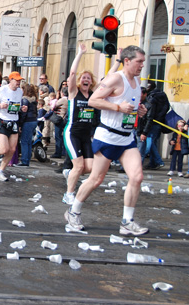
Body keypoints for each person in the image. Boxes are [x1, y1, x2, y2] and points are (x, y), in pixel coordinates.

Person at [64, 45, 149, 236]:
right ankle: (73, 212)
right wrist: (118, 107)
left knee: (137, 177)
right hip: (108, 137)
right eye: (139, 61)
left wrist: (139, 110)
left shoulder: (137, 79)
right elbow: (94, 100)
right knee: (96, 179)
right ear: (127, 61)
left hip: (127, 137)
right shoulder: (115, 79)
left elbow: (132, 104)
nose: (142, 65)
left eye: (143, 61)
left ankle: (127, 222)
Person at [62, 43, 97, 205]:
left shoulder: (93, 96)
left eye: (88, 78)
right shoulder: (73, 92)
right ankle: (68, 194)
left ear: (91, 82)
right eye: (83, 77)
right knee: (78, 166)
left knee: (89, 167)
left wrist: (117, 61)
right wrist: (80, 53)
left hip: (86, 134)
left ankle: (70, 174)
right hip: (72, 132)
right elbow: (72, 72)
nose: (85, 79)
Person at [0, 71, 27, 181]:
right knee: (4, 149)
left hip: (14, 122)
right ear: (11, 80)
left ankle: (0, 171)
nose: (18, 83)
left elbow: (16, 106)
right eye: (16, 80)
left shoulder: (20, 91)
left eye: (19, 81)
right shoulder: (2, 90)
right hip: (2, 120)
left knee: (12, 149)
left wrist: (22, 108)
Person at [17, 84, 39, 167]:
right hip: (33, 121)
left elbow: (23, 113)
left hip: (27, 121)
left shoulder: (25, 100)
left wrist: (20, 124)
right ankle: (27, 159)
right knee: (29, 142)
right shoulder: (34, 100)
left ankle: (24, 161)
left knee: (24, 141)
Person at [51, 88, 68, 159]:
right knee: (64, 136)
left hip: (59, 119)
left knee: (58, 136)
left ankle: (58, 152)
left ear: (62, 93)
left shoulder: (62, 100)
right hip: (65, 119)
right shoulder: (69, 99)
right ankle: (64, 152)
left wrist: (57, 98)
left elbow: (53, 106)